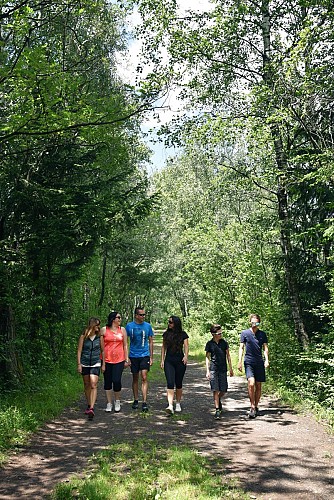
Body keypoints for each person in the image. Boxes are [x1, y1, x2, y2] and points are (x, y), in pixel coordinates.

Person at [238, 313, 269, 418]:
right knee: (251, 383)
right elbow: (241, 347)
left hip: (259, 362)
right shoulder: (244, 333)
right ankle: (251, 406)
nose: (254, 323)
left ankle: (256, 406)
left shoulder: (262, 334)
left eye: (256, 321)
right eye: (253, 321)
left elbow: (265, 348)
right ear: (250, 322)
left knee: (258, 385)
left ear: (259, 322)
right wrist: (239, 361)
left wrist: (267, 360)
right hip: (249, 361)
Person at [126, 306, 154, 412]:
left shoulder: (148, 326)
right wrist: (126, 357)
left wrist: (151, 357)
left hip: (144, 355)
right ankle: (136, 399)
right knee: (135, 378)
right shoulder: (129, 326)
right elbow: (126, 342)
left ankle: (145, 401)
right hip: (133, 355)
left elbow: (151, 341)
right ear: (136, 316)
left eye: (144, 314)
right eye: (141, 315)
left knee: (144, 377)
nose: (143, 316)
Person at [100, 311, 129, 413]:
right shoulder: (104, 330)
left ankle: (117, 401)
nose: (120, 319)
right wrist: (103, 363)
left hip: (119, 359)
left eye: (120, 317)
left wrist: (126, 359)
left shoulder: (123, 330)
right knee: (107, 382)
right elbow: (101, 348)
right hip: (107, 360)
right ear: (113, 319)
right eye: (118, 317)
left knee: (116, 380)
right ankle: (109, 403)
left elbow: (125, 345)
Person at [77, 317, 105, 419]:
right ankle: (89, 404)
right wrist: (79, 364)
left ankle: (92, 408)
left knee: (93, 384)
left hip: (95, 363)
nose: (99, 327)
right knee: (87, 384)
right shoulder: (83, 336)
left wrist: (104, 364)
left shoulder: (99, 337)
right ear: (92, 326)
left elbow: (103, 351)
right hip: (85, 363)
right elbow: (79, 350)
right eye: (97, 325)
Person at [161, 315, 189, 415]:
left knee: (179, 383)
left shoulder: (183, 334)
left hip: (180, 361)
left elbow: (186, 346)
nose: (169, 324)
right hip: (169, 361)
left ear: (176, 323)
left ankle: (177, 403)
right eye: (168, 322)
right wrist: (162, 360)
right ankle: (170, 405)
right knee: (170, 382)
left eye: (171, 322)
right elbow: (163, 347)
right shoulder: (166, 334)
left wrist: (186, 356)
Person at [205, 324, 234, 420]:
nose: (221, 334)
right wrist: (207, 370)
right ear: (213, 334)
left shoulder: (224, 343)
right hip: (213, 369)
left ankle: (218, 399)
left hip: (223, 369)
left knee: (224, 389)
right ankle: (217, 409)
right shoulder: (209, 344)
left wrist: (231, 368)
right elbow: (207, 357)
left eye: (221, 333)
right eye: (219, 333)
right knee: (215, 389)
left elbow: (228, 356)